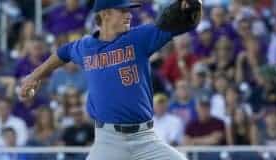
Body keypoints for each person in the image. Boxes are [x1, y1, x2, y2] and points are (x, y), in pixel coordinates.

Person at [19, 0, 202, 159]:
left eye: (129, 10)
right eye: (123, 10)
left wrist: (191, 7)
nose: (129, 15)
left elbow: (180, 23)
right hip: (108, 141)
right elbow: (63, 53)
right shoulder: (86, 46)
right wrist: (35, 75)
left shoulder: (139, 37)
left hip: (145, 138)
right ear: (105, 14)